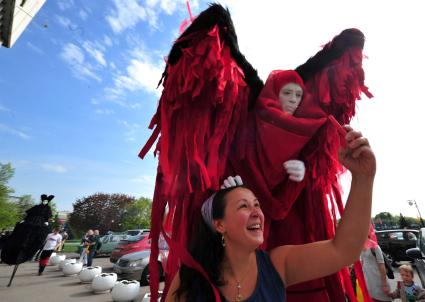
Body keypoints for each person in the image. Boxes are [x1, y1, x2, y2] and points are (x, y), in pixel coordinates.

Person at [165, 125, 375, 302]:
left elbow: (344, 251)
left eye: (257, 204)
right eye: (243, 206)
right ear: (219, 225)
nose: (257, 212)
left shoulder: (278, 264)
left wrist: (363, 178)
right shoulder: (190, 278)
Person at [360, 228, 392, 302]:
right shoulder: (360, 246)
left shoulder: (375, 247)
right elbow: (361, 263)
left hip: (378, 279)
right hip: (368, 280)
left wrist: (384, 284)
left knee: (383, 299)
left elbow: (382, 265)